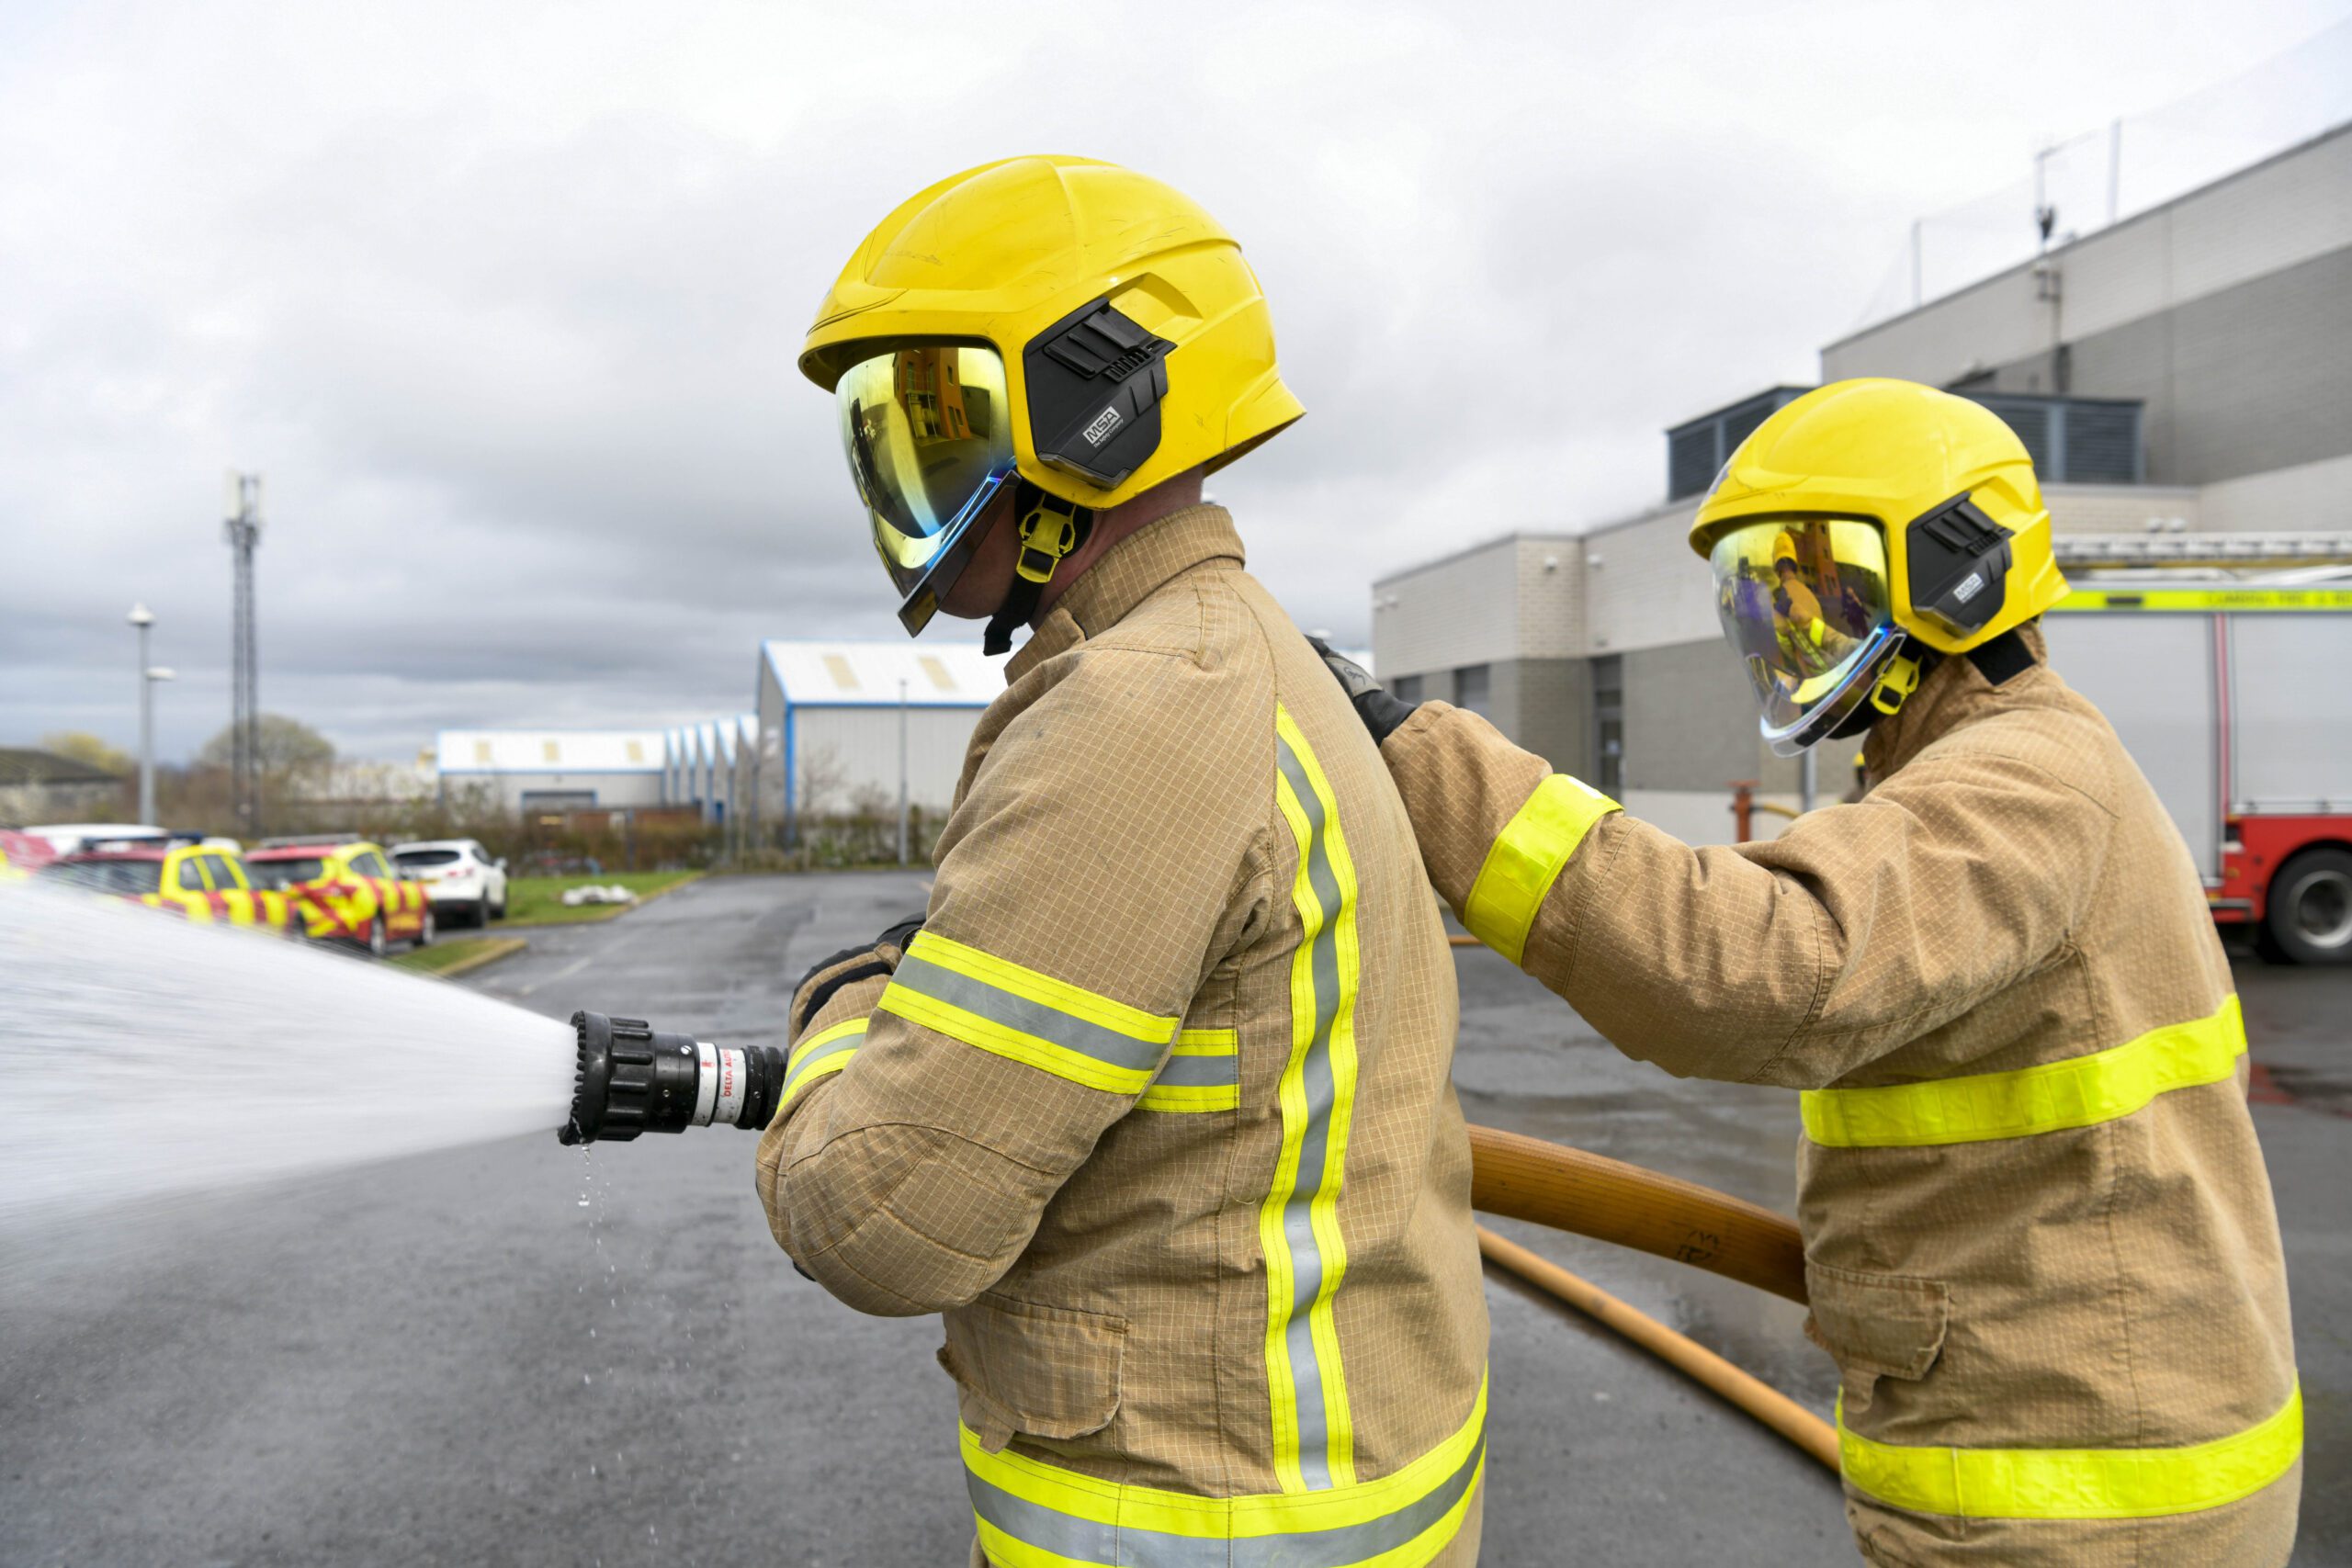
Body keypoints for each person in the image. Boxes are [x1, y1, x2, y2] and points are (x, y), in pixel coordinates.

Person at [1317, 378, 2299, 1566]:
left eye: (1816, 589)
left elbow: (1741, 968)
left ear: (1954, 573)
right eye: (1763, 598)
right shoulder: (1976, 767)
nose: (1786, 630)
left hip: (2088, 1505)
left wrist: (1408, 750)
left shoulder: (2026, 780)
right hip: (2065, 1464)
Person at [758, 156, 1489, 1568]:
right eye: (886, 436)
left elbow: (882, 1222)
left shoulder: (1143, 711)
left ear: (1103, 403)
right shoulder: (1240, 658)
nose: (904, 474)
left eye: (938, 420)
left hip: (1205, 1522)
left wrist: (842, 1011)